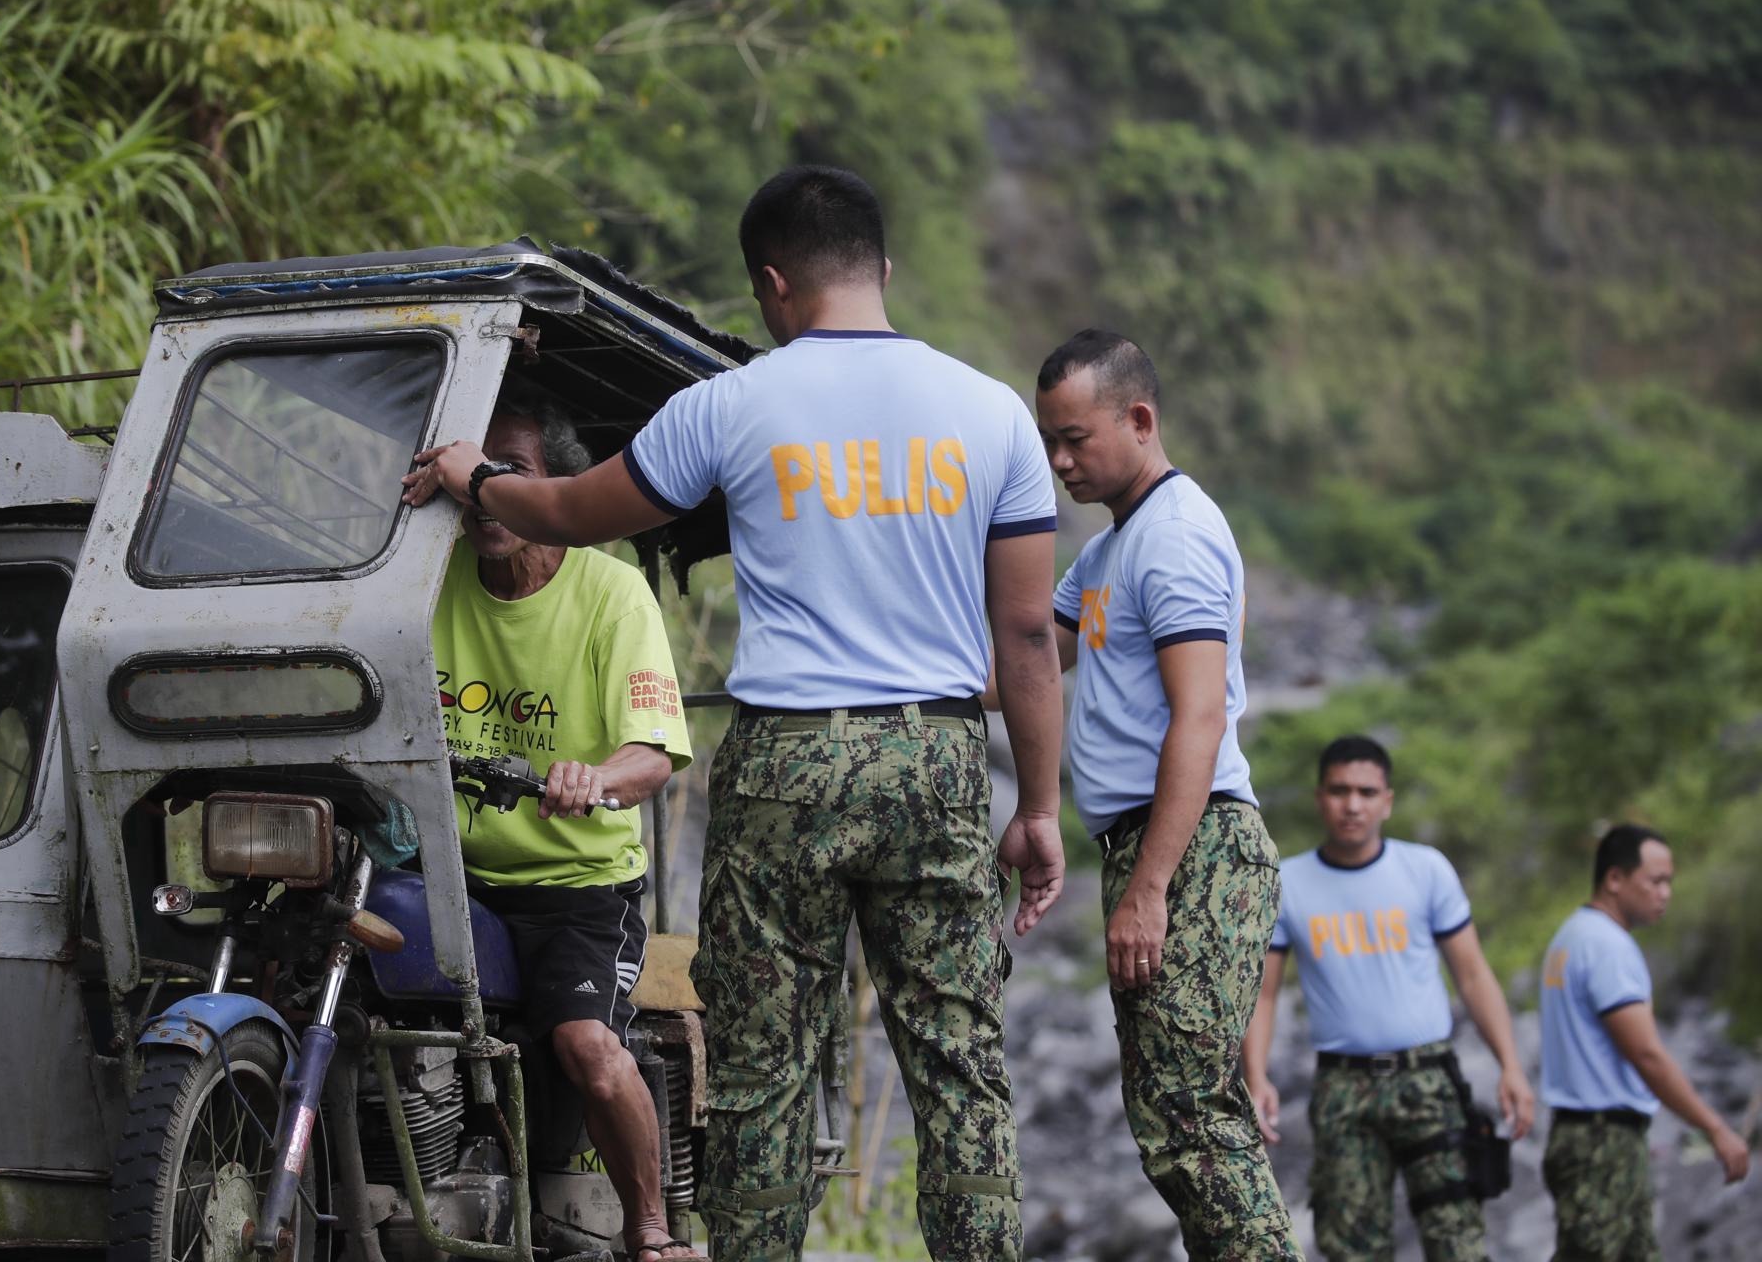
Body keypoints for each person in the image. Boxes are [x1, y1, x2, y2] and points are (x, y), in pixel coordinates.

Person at [403, 164, 1066, 1262]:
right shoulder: (990, 413)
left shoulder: (732, 403)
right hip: (938, 755)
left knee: (763, 1069)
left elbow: (570, 510)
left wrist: (477, 479)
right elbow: (1031, 637)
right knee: (958, 1064)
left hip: (788, 767)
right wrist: (1036, 805)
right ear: (884, 269)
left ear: (771, 283)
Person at [1030, 329, 1300, 1257]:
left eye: (1077, 439)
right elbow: (1029, 663)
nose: (1062, 462)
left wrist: (1150, 890)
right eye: (1050, 443)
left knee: (1190, 1115)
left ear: (1140, 420)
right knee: (1171, 1124)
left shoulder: (1175, 537)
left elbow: (1200, 721)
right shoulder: (1110, 552)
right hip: (1155, 849)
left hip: (1196, 852)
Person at [431, 386, 699, 1262]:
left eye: (510, 475)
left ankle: (649, 1229)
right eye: (474, 475)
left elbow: (653, 754)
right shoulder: (425, 586)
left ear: (554, 489)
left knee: (588, 1044)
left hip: (579, 890)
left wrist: (597, 778)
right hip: (451, 878)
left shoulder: (611, 594)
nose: (486, 496)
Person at [1241, 735, 1535, 1262]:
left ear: (1387, 801)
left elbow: (1471, 974)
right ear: (1319, 798)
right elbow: (1263, 995)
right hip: (1342, 1087)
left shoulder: (1425, 870)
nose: (1352, 804)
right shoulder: (1289, 883)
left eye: (1366, 792)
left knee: (1458, 1240)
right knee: (1351, 1247)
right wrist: (1257, 1077)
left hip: (1428, 1080)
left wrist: (1510, 1065)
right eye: (1339, 790)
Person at [1538, 823, 1750, 1260]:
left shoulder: (1572, 936)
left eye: (1669, 881)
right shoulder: (1607, 946)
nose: (1666, 893)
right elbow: (1647, 1054)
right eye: (1655, 881)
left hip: (1587, 1135)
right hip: (1601, 1144)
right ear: (1614, 879)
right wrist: (1715, 1128)